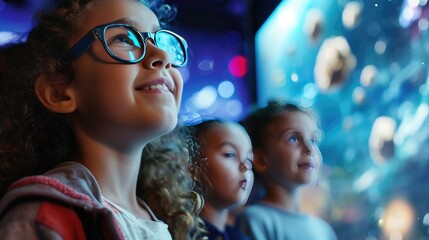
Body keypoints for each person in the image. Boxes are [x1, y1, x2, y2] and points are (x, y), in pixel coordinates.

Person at [0, 0, 200, 239]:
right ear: (59, 91)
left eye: (161, 40)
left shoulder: (158, 221)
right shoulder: (44, 216)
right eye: (124, 38)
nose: (162, 55)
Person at [236, 101, 337, 240]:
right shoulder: (255, 220)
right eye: (293, 138)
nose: (310, 150)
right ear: (260, 159)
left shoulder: (324, 230)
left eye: (313, 140)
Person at [188, 120, 254, 240]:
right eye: (230, 154)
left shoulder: (239, 237)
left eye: (249, 159)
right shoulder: (180, 234)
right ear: (193, 167)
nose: (246, 166)